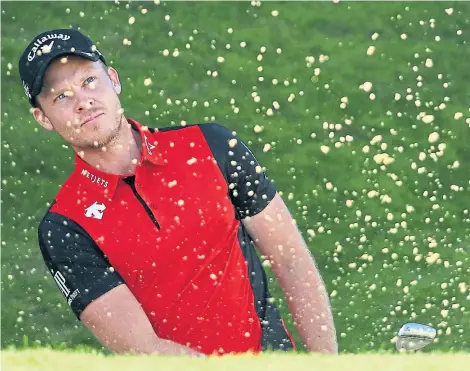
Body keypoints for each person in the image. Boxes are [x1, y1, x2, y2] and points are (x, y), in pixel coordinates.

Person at [18, 28, 338, 357]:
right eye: (61, 97)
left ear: (113, 79)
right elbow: (144, 350)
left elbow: (291, 260)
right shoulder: (65, 227)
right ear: (43, 118)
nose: (83, 101)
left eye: (89, 81)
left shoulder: (212, 145)